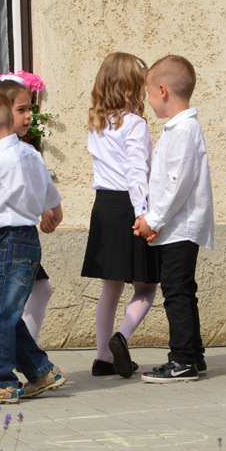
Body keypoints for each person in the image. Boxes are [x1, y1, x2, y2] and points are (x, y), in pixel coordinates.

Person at [0, 88, 66, 404]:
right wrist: (50, 210)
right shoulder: (30, 153)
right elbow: (50, 194)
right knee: (6, 314)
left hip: (7, 240)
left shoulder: (0, 161)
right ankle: (41, 372)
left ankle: (1, 382)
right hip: (28, 239)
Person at [133, 55, 215, 383]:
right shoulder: (179, 128)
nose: (148, 100)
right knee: (184, 290)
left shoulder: (183, 130)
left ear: (163, 90)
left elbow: (176, 183)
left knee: (176, 292)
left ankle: (181, 360)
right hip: (176, 225)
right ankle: (193, 355)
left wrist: (154, 220)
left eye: (149, 93)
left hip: (180, 226)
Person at [81, 52, 159, 379]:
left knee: (110, 288)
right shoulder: (135, 124)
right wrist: (144, 215)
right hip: (129, 206)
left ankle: (103, 357)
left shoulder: (97, 124)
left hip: (104, 206)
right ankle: (121, 337)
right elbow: (136, 172)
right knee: (147, 287)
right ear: (132, 86)